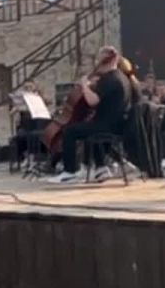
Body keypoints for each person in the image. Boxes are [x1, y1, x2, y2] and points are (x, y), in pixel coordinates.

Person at [49, 46, 131, 184]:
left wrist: (85, 86)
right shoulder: (122, 77)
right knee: (89, 127)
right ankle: (101, 168)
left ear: (107, 60)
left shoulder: (109, 78)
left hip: (107, 126)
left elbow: (93, 101)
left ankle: (70, 172)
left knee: (69, 131)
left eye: (99, 59)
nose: (97, 63)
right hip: (118, 125)